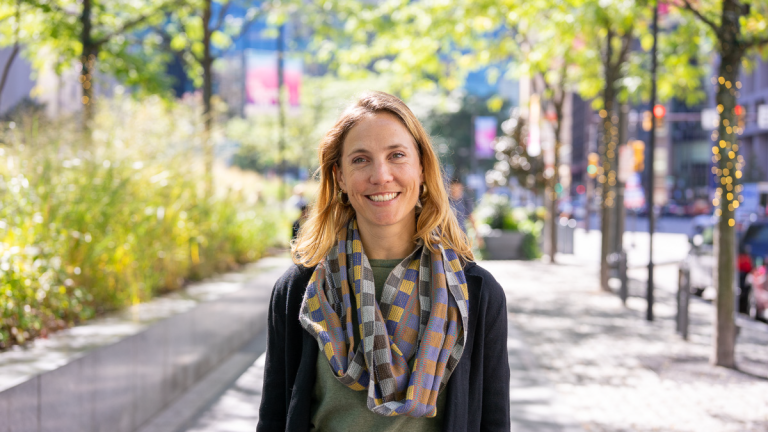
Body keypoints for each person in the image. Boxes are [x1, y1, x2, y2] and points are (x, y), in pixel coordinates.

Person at [257, 91, 510, 432]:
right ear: (341, 177)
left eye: (397, 156)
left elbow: (494, 422)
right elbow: (273, 418)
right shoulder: (299, 289)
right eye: (361, 159)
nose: (381, 175)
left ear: (422, 168)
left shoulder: (476, 294)